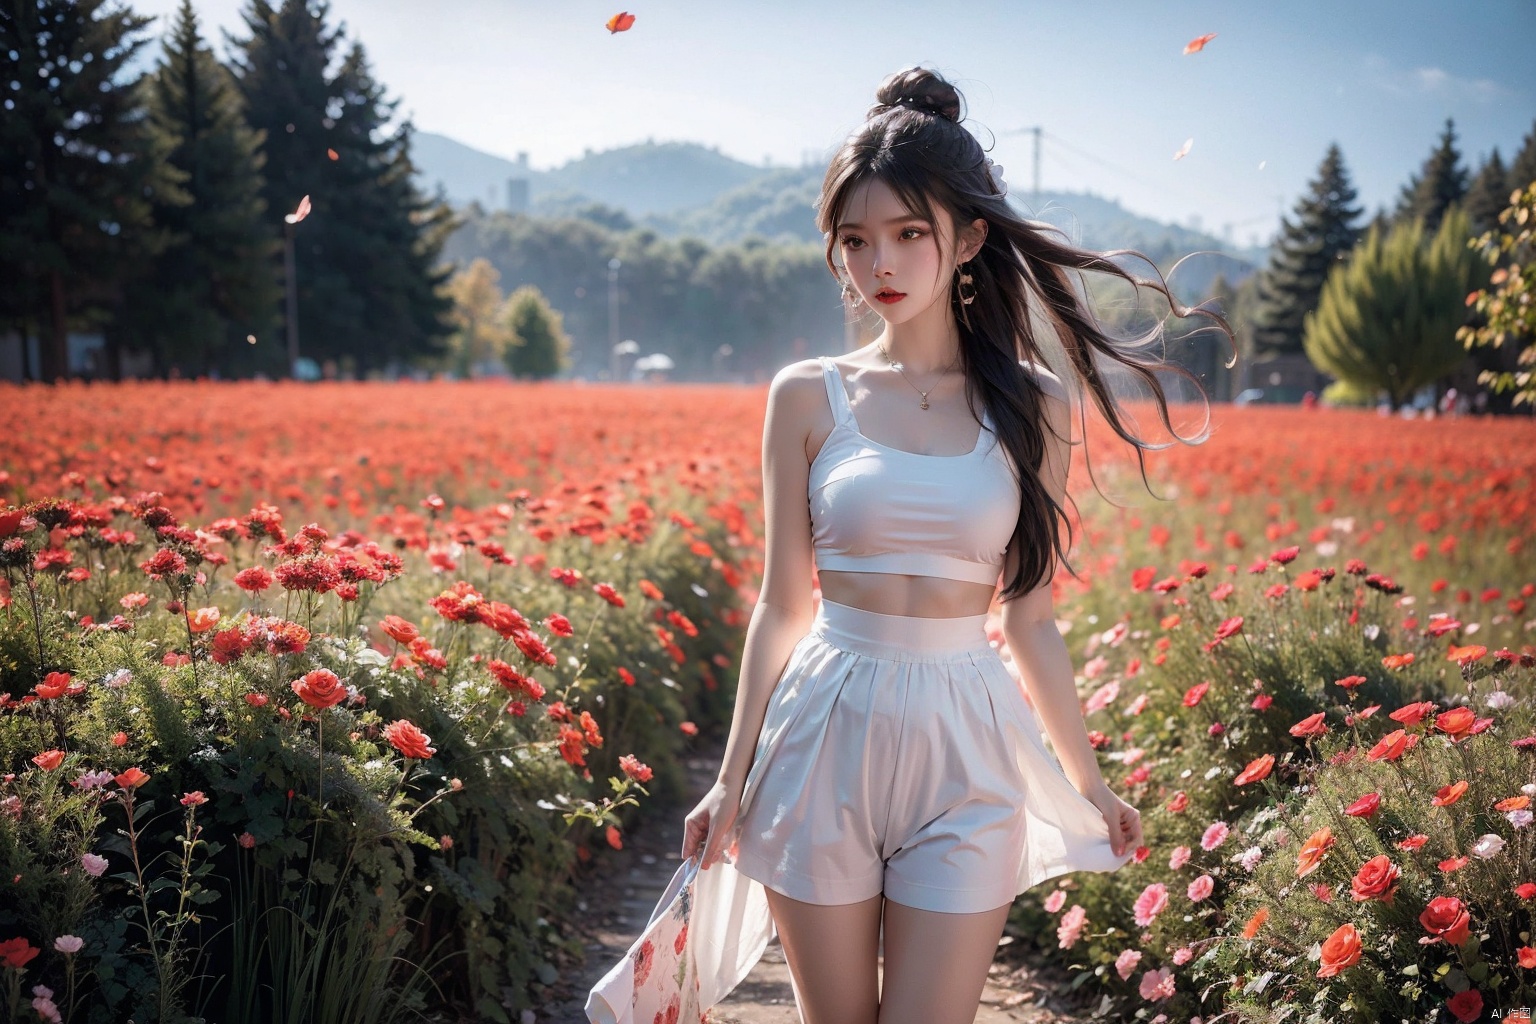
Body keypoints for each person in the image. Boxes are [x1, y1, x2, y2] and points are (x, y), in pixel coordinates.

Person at [626, 66, 1229, 1024]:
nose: (883, 265)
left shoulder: (1035, 406)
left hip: (967, 737)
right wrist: (729, 778)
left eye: (911, 234)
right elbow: (783, 603)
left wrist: (1089, 780)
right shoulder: (806, 395)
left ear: (970, 239)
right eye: (857, 241)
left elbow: (1031, 619)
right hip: (825, 728)